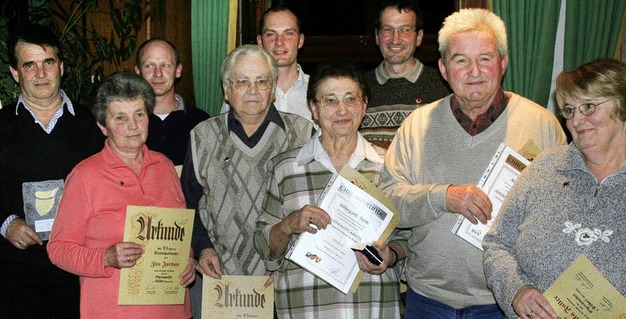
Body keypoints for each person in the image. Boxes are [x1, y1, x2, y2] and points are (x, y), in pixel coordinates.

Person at [378, 8, 567, 318]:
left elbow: (560, 215)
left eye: (485, 58)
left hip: (505, 301)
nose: (474, 71)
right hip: (427, 299)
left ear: (503, 63)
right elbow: (388, 201)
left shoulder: (542, 126)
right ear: (443, 67)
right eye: (461, 60)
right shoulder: (416, 125)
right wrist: (443, 196)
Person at [483, 58, 626, 319]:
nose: (577, 120)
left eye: (589, 106)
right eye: (569, 110)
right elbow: (497, 243)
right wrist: (517, 291)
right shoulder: (545, 167)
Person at [254, 61, 408, 318]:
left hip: (372, 308)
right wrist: (288, 225)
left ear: (364, 105)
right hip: (304, 309)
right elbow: (264, 244)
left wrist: (390, 255)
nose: (342, 110)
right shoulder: (285, 168)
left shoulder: (390, 167)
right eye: (330, 101)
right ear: (313, 109)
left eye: (351, 99)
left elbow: (410, 240)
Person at [47, 72, 195, 318]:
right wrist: (105, 257)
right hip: (112, 311)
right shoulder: (85, 176)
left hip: (172, 309)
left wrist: (188, 260)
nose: (133, 126)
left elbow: (180, 234)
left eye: (139, 114)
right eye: (120, 118)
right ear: (102, 126)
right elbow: (58, 249)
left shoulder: (165, 166)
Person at [182, 44, 314, 318]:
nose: (252, 90)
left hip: (285, 279)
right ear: (227, 90)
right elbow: (189, 203)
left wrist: (282, 258)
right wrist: (203, 249)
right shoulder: (202, 136)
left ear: (273, 87)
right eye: (242, 81)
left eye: (261, 81)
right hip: (223, 283)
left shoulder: (302, 134)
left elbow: (315, 203)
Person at [0, 24, 104, 318]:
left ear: (61, 66)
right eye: (29, 65)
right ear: (15, 73)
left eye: (48, 62)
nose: (40, 73)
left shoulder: (95, 124)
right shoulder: (1, 125)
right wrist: (6, 223)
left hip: (82, 271)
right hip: (16, 277)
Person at [361, 0, 450, 149]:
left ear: (419, 37)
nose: (395, 39)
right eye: (388, 30)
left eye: (405, 30)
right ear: (377, 36)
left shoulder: (444, 87)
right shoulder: (358, 87)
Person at [221, 6, 311, 122]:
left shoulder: (318, 92)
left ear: (300, 40)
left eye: (288, 34)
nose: (279, 42)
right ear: (260, 41)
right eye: (271, 34)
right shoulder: (240, 92)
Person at [135, 37, 209, 166]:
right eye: (149, 65)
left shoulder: (201, 122)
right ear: (138, 72)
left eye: (165, 65)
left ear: (178, 71)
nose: (158, 73)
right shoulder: (127, 124)